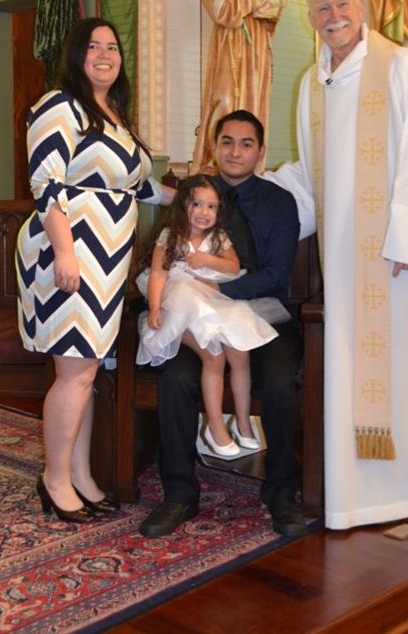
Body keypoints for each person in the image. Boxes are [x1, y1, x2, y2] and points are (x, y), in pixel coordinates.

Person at [266, 0, 408, 530]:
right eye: (322, 9)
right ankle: (357, 496)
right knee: (354, 370)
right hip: (346, 263)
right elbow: (310, 173)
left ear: (363, 6)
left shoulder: (398, 64)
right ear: (312, 18)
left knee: (405, 364)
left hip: (396, 254)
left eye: (341, 4)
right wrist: (257, 204)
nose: (334, 17)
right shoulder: (312, 83)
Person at [16, 18, 171, 523]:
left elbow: (140, 188)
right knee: (76, 370)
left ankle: (79, 475)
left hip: (108, 257)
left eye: (113, 46)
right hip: (71, 248)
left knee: (82, 370)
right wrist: (64, 251)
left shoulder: (115, 116)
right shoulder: (59, 104)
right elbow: (46, 182)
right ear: (75, 54)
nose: (105, 54)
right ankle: (55, 479)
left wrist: (198, 196)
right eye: (93, 46)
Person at [139, 110, 306, 538]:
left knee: (283, 380)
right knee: (175, 376)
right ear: (215, 147)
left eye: (246, 143)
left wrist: (218, 291)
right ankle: (179, 492)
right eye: (226, 142)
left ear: (260, 151)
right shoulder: (192, 198)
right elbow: (164, 257)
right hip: (201, 316)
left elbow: (276, 273)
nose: (235, 151)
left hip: (260, 310)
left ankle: (282, 493)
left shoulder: (278, 202)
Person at [136, 173, 287, 456]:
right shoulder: (171, 236)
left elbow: (232, 267)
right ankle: (215, 426)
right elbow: (158, 274)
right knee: (214, 354)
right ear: (184, 206)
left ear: (219, 211)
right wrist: (155, 308)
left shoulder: (218, 237)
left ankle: (243, 423)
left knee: (240, 351)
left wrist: (206, 259)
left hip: (211, 299)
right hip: (179, 304)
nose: (204, 212)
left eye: (212, 207)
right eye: (197, 205)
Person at [191, 0, 281, 174]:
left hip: (257, 51)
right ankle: (214, 167)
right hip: (230, 49)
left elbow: (270, 11)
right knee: (226, 102)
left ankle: (251, 171)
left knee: (254, 109)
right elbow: (224, 11)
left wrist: (270, 3)